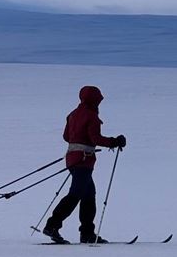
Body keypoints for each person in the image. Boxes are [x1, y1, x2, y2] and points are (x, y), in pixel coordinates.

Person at [43, 85, 126, 244]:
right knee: (76, 194)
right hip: (83, 161)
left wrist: (79, 141)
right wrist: (115, 142)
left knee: (88, 195)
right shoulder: (92, 116)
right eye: (98, 100)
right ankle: (53, 225)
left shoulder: (72, 114)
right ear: (94, 100)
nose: (99, 103)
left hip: (72, 159)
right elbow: (96, 139)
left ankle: (86, 233)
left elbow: (66, 137)